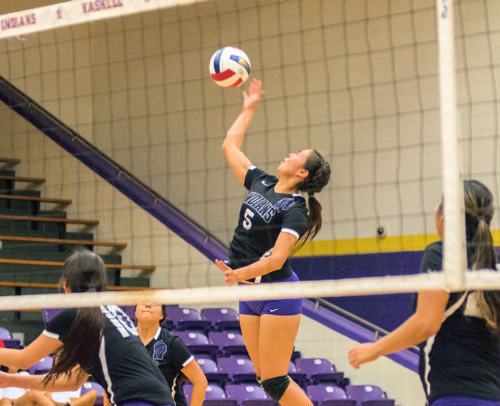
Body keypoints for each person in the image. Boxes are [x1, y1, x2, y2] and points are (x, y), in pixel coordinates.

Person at [214, 79, 331, 406]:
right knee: (266, 379)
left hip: (277, 291)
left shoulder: (296, 209)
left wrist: (239, 273)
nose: (291, 153)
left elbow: (278, 258)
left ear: (303, 173)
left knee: (276, 378)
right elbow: (229, 146)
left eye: (299, 155)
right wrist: (247, 109)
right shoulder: (262, 181)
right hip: (249, 290)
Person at [0, 249, 174, 406]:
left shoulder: (75, 316)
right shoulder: (111, 312)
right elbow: (70, 382)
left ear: (66, 286)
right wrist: (11, 380)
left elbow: (24, 360)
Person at [348, 180, 500, 406]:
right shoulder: (493, 265)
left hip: (454, 395)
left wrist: (375, 349)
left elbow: (427, 323)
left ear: (444, 215)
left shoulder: (443, 254)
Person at [135, 303, 208, 406]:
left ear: (162, 315)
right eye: (143, 301)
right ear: (135, 311)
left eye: (154, 303)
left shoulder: (172, 343)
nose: (148, 305)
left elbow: (200, 381)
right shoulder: (123, 341)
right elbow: (111, 380)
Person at [14, 387, 97, 406]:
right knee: (33, 393)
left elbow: (75, 401)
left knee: (93, 393)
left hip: (66, 404)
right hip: (46, 404)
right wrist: (58, 404)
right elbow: (44, 397)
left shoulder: (74, 382)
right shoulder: (46, 377)